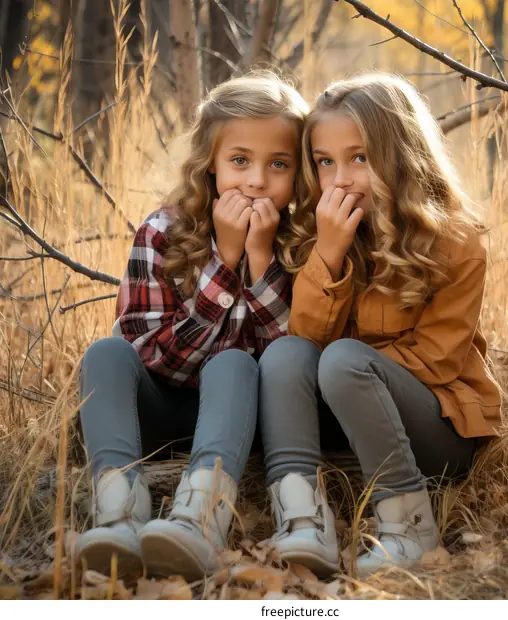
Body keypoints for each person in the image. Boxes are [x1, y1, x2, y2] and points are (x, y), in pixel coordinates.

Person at [258, 73, 501, 577]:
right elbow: (303, 342)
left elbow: (437, 360)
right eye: (325, 162)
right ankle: (303, 518)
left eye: (359, 158)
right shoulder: (320, 234)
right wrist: (328, 254)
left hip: (436, 432)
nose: (340, 178)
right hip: (351, 417)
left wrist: (348, 373)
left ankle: (409, 529)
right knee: (284, 354)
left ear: (400, 153)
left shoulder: (455, 241)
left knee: (343, 361)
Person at [75, 71, 308, 582]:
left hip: (248, 424)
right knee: (106, 354)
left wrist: (262, 257)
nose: (256, 180)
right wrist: (223, 260)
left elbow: (292, 356)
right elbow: (153, 354)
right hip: (166, 408)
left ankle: (201, 517)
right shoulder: (162, 231)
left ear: (300, 172)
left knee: (234, 364)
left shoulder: (304, 241)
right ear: (210, 163)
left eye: (279, 164)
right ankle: (117, 509)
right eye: (240, 160)